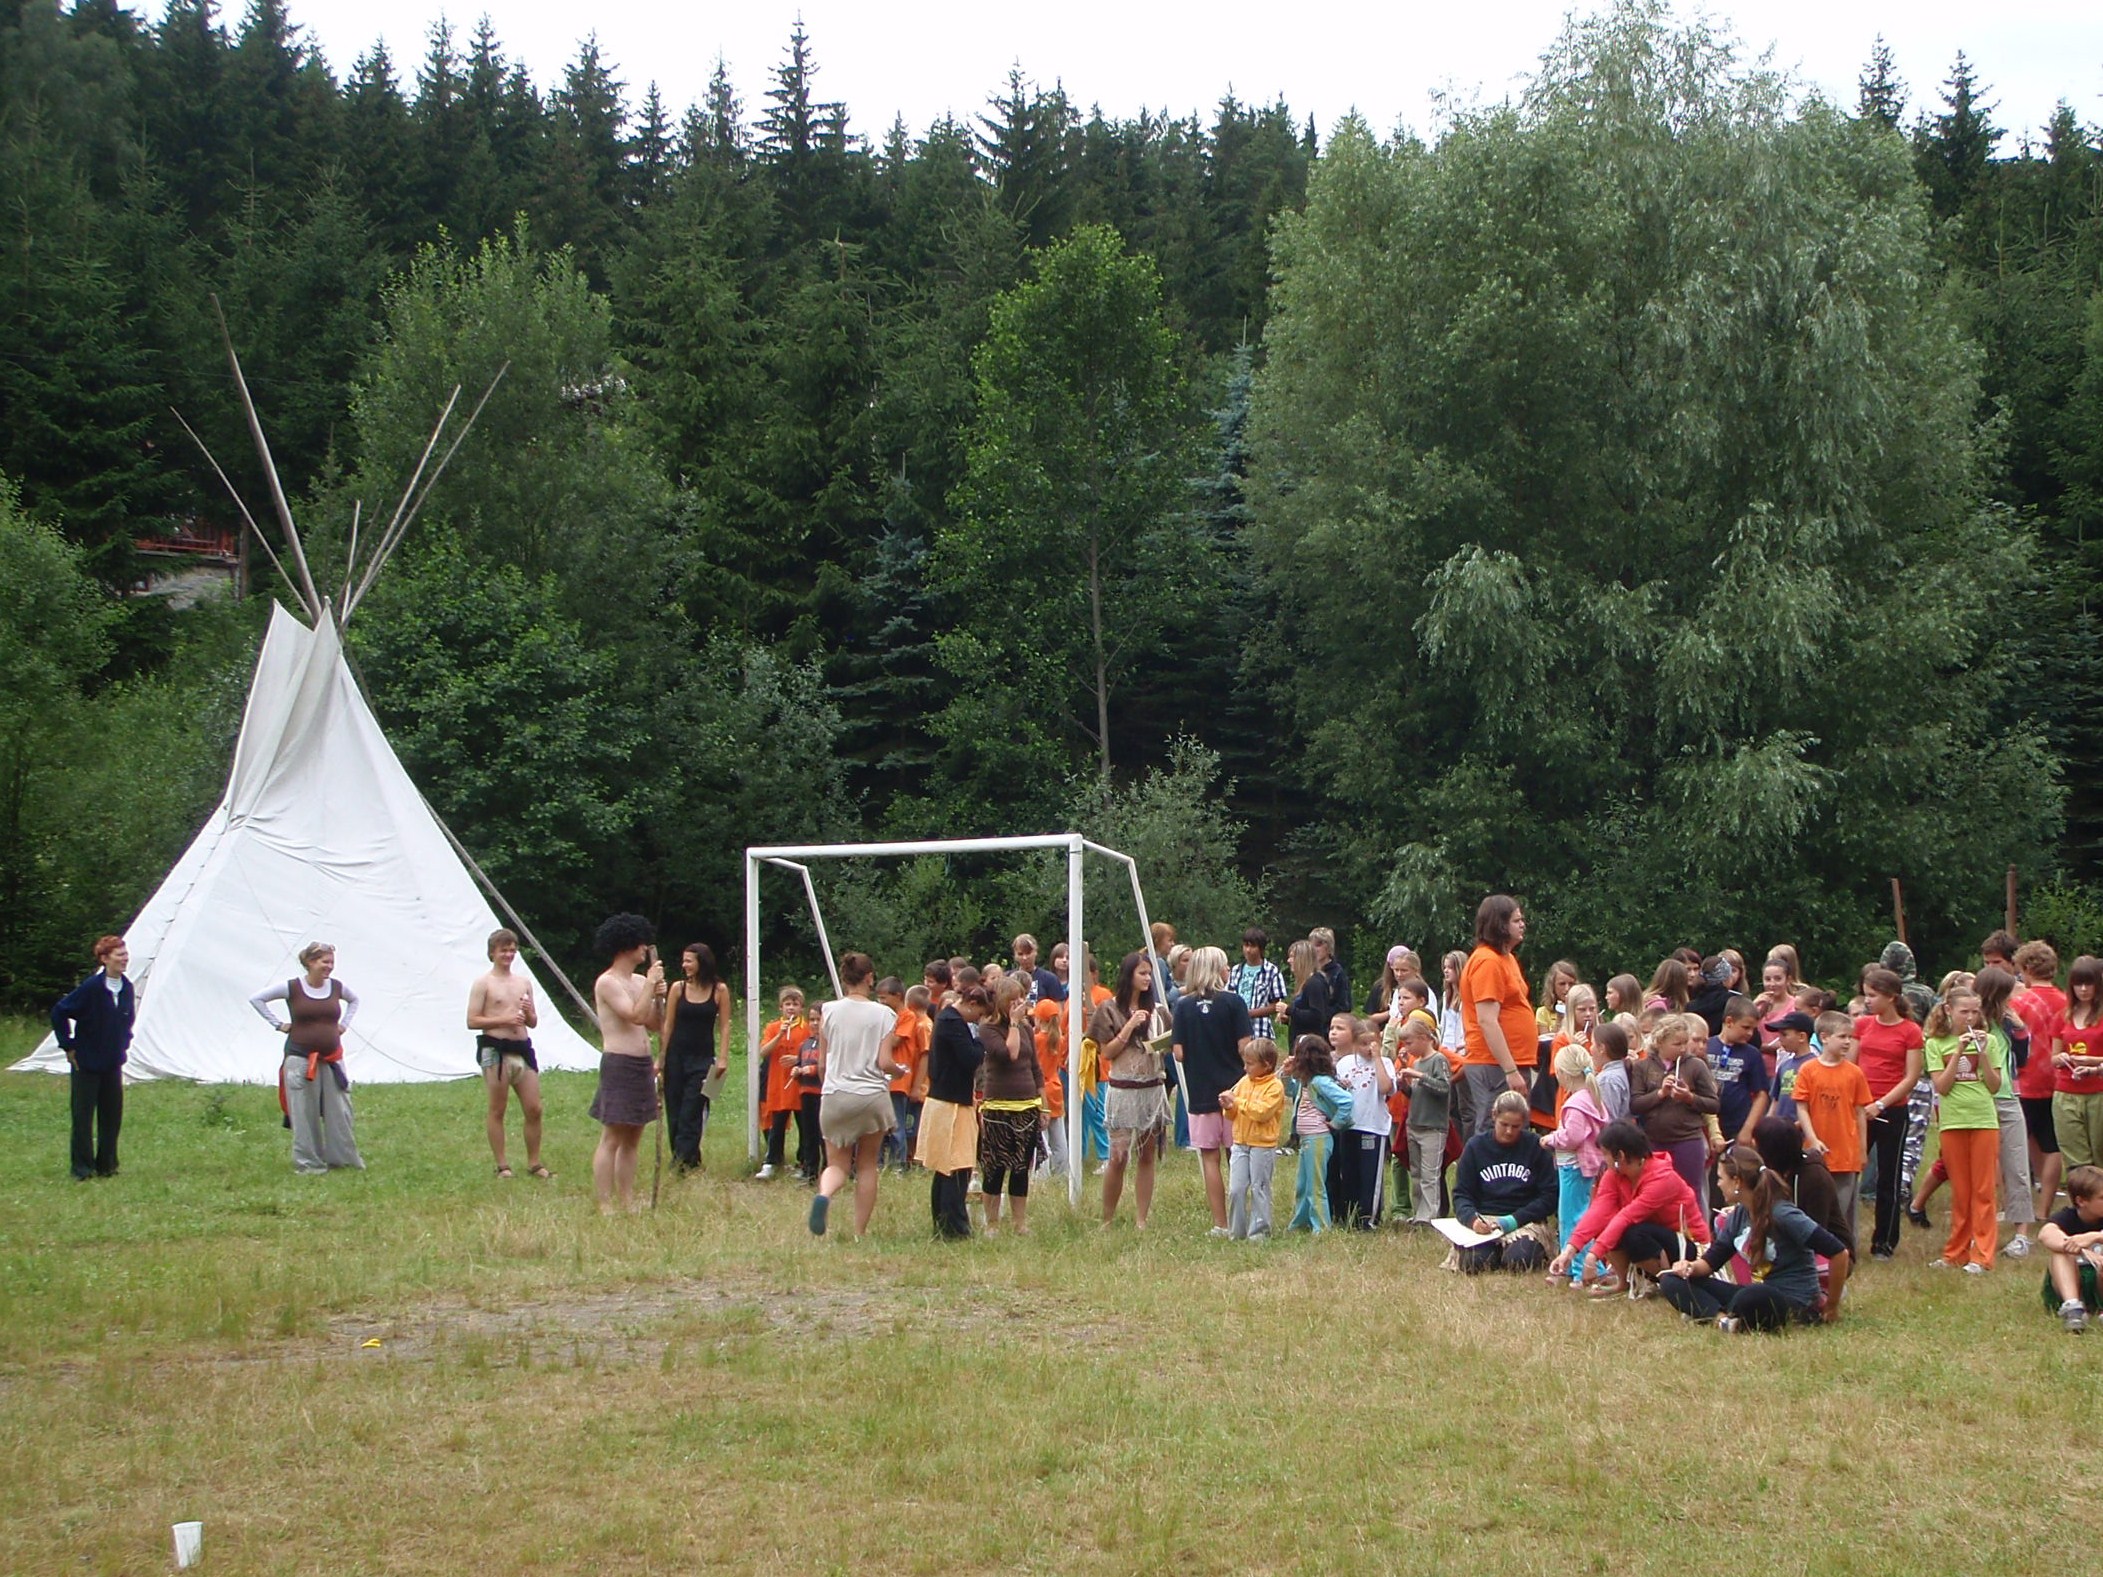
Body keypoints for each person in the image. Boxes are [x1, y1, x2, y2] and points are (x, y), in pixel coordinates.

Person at [1657, 1144, 1853, 1330]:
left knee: (1753, 1296)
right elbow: (1711, 1262)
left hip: (1794, 1302)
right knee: (1670, 1280)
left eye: (1721, 1178)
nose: (1718, 1184)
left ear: (1737, 1181)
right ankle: (1722, 1320)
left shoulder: (1783, 1214)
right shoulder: (1739, 1215)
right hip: (1755, 1293)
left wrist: (1831, 1307)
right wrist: (1689, 1267)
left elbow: (1839, 1253)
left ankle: (1713, 1311)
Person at [809, 951, 908, 1239]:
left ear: (844, 978)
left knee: (837, 1164)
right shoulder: (884, 1014)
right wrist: (899, 1072)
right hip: (870, 1095)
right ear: (870, 978)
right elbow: (884, 1062)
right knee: (866, 1165)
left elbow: (823, 1062)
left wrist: (828, 1086)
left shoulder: (828, 1011)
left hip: (836, 1092)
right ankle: (859, 1232)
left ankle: (825, 1194)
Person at [1549, 1121, 1710, 1298]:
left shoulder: (1662, 1178)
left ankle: (1669, 1283)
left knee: (1634, 1233)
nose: (1603, 1159)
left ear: (1620, 1155)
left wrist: (1593, 1256)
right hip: (1656, 1237)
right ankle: (1623, 1282)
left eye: (1605, 1154)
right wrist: (1569, 1251)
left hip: (1689, 1246)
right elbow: (1598, 1212)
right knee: (1610, 1227)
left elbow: (1627, 1217)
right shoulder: (1614, 1175)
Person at [251, 942, 366, 1175]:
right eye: (325, 962)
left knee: (340, 1110)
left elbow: (354, 1000)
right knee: (304, 1112)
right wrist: (278, 1024)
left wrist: (343, 1025)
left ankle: (343, 1160)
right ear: (311, 962)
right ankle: (309, 1163)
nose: (329, 967)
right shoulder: (292, 987)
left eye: (332, 962)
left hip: (332, 1058)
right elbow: (257, 999)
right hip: (301, 1059)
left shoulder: (336, 987)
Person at [1172, 946, 1256, 1235]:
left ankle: (1220, 1223)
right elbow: (1245, 1047)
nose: (1229, 969)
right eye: (1225, 965)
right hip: (1234, 1090)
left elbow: (1179, 1053)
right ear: (1217, 970)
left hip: (1200, 1090)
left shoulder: (1183, 1006)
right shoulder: (1234, 1002)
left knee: (1210, 1157)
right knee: (1238, 1154)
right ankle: (1241, 1219)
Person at [1921, 984, 2005, 1272]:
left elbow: (1994, 1086)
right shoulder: (1935, 1043)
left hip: (1983, 1120)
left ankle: (1982, 1255)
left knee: (1983, 1190)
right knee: (1961, 1191)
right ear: (1948, 1010)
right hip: (1953, 1121)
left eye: (1975, 1012)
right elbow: (1942, 1087)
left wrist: (1983, 1054)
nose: (1970, 1017)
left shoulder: (1990, 1041)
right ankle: (1955, 1253)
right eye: (1963, 1011)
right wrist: (1958, 1051)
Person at [588, 915, 662, 1213]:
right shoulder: (608, 982)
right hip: (619, 1063)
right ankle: (605, 1203)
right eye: (640, 943)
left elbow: (654, 1023)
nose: (645, 948)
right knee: (613, 1136)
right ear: (626, 945)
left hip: (642, 1064)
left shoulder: (640, 982)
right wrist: (651, 986)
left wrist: (659, 997)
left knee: (634, 1136)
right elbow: (634, 1015)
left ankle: (627, 1199)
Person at [467, 928, 550, 1180]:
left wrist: (528, 1013)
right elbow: (472, 1020)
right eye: (504, 950)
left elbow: (532, 1022)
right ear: (492, 952)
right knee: (498, 1108)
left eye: (512, 950)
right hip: (495, 1050)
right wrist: (504, 1019)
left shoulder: (523, 982)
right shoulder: (483, 983)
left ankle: (534, 1163)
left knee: (534, 1108)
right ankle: (502, 1165)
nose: (509, 955)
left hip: (522, 1049)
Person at [49, 935, 135, 1181]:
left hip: (112, 1061)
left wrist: (124, 1041)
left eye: (125, 953)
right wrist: (68, 1045)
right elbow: (59, 1011)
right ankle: (82, 1169)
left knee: (111, 1115)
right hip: (86, 1061)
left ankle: (107, 1165)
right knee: (83, 1116)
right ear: (105, 959)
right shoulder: (92, 988)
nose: (125, 958)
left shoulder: (127, 987)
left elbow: (127, 1018)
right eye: (119, 954)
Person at [1856, 965, 1927, 1259]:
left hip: (1891, 1110)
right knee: (1848, 1171)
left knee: (1888, 1176)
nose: (1867, 1000)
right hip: (1860, 1109)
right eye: (1866, 994)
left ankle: (1884, 1241)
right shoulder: (1862, 1025)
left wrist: (1881, 1104)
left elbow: (1911, 1077)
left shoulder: (1910, 1031)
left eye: (1873, 995)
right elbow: (1851, 1064)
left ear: (1891, 997)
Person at [1096, 951, 1168, 1229]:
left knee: (1146, 1154)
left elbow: (1171, 1042)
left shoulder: (1159, 1011)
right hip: (1122, 1090)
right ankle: (1107, 1218)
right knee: (1118, 1156)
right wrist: (1129, 1026)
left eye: (1150, 974)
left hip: (1151, 1087)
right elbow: (1107, 1052)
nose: (1147, 979)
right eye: (1142, 973)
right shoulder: (1109, 1008)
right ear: (1129, 976)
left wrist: (1163, 1044)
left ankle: (1141, 1219)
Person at [1449, 1091, 1557, 1272]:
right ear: (1494, 1116)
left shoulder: (1536, 1146)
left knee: (1519, 1261)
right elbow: (1461, 1194)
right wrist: (1472, 1220)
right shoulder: (1475, 1147)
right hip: (1485, 1218)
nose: (1509, 1131)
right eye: (1504, 1124)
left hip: (1525, 1222)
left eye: (1515, 1126)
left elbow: (1549, 1196)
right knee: (1475, 1263)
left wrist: (1514, 1220)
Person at [1458, 895, 1535, 1135]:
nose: (1522, 925)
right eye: (1516, 920)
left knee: (1515, 1131)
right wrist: (1510, 1070)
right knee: (1496, 1131)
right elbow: (1487, 1020)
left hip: (1509, 1062)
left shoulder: (1507, 958)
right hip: (1494, 1064)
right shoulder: (1487, 962)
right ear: (1500, 925)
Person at [1626, 1012, 1719, 1211]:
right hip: (1654, 1141)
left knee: (1690, 1193)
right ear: (1660, 1042)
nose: (1683, 1048)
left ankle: (1692, 1230)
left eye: (1685, 1043)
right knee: (1655, 1194)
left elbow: (1713, 1104)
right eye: (1677, 1044)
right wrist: (1660, 1094)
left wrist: (1689, 1097)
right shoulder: (1643, 1067)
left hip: (1688, 1139)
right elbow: (1635, 1105)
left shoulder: (1696, 1065)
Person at [1792, 1011, 1874, 1233]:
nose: (1848, 1042)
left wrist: (1862, 1149)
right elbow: (1802, 1107)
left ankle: (1844, 1249)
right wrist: (1812, 1139)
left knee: (1843, 1212)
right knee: (1814, 1207)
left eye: (1850, 1037)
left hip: (1846, 1152)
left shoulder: (1854, 1073)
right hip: (1816, 1152)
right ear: (1825, 1037)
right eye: (1842, 1036)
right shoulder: (1808, 1070)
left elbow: (1860, 1113)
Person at [975, 974, 1043, 1236]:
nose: (1018, 1004)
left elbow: (1034, 1067)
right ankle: (992, 1222)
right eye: (1013, 1000)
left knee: (1021, 1166)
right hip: (998, 1106)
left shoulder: (1026, 1029)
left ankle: (1019, 1222)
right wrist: (1013, 1023)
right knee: (995, 1166)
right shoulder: (988, 1029)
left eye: (1021, 999)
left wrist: (1043, 1103)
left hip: (1026, 1104)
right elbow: (1008, 1054)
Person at [920, 984, 989, 1239]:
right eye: (978, 1014)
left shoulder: (947, 1019)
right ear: (972, 1003)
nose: (977, 1020)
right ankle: (954, 1227)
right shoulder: (952, 1023)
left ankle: (944, 1224)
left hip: (948, 1100)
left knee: (946, 1168)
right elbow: (970, 1058)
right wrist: (981, 1041)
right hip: (952, 1104)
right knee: (956, 1166)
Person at [1537, 1043, 1609, 1279]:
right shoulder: (1592, 1098)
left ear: (1563, 1074)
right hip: (1585, 1166)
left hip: (1573, 1167)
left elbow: (1572, 1137)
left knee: (1572, 1219)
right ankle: (1573, 1266)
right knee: (1578, 1214)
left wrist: (1551, 1138)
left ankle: (1581, 1269)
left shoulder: (1576, 1103)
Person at [658, 942, 729, 1174]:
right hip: (676, 1057)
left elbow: (724, 1026)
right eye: (684, 960)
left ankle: (680, 1163)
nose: (684, 965)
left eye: (689, 960)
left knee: (692, 1110)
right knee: (675, 1111)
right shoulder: (677, 988)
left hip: (703, 1059)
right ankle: (689, 1159)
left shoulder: (720, 990)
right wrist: (661, 1058)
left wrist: (723, 1058)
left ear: (702, 962)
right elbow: (668, 1025)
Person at [2013, 941, 2066, 1233]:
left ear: (2027, 969)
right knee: (2051, 1143)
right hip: (2059, 1079)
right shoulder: (2067, 1001)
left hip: (2025, 1080)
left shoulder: (2020, 1003)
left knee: (2023, 1141)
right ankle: (2044, 1207)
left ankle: (2024, 1205)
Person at [1754, 1114, 1857, 1259]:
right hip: (1788, 1243)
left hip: (1832, 1255)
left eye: (1758, 1147)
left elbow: (1816, 1233)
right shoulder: (1773, 1171)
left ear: (1769, 1152)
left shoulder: (1815, 1179)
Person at [1330, 1015, 1395, 1229]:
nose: (1368, 1048)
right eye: (1363, 1043)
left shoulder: (1385, 1063)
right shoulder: (1345, 1063)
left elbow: (1385, 1088)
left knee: (1370, 1174)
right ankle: (1350, 1215)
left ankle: (1369, 1217)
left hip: (1372, 1126)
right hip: (1350, 1126)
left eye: (1372, 1043)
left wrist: (1377, 1058)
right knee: (1349, 1172)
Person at [1282, 1034, 1351, 1232]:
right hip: (1306, 1138)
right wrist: (1287, 1074)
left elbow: (1346, 1101)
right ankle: (1300, 1221)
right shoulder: (1306, 1082)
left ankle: (1321, 1226)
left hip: (1318, 1137)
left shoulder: (1320, 1082)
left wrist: (1336, 1123)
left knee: (1315, 1185)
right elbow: (1289, 1091)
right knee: (1303, 1184)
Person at [1218, 1039, 1285, 1239]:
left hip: (1262, 1145)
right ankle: (1236, 1231)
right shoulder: (1243, 1082)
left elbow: (1262, 1112)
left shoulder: (1275, 1087)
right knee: (1236, 1189)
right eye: (1245, 1063)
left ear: (1267, 1065)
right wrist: (1228, 1107)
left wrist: (1237, 1102)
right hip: (1240, 1143)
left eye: (1250, 1063)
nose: (1245, 1068)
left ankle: (1259, 1233)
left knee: (1260, 1188)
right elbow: (1233, 1113)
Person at [1395, 1016, 1452, 1224]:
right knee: (1417, 1173)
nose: (1407, 1048)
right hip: (1414, 1124)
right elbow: (1416, 1094)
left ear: (1423, 1038)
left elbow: (1444, 1088)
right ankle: (1419, 1212)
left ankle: (1429, 1216)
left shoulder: (1438, 1060)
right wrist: (1404, 1084)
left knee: (1430, 1175)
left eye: (1409, 1043)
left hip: (1433, 1127)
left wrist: (1419, 1076)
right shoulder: (1417, 1063)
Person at [2051, 955, 2103, 1174]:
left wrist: (2092, 1062)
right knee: (2076, 1159)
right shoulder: (2063, 1016)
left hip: (2098, 1092)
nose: (2083, 989)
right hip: (2066, 1092)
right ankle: (2081, 1194)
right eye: (2078, 984)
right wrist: (2062, 1058)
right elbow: (2054, 1057)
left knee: (2099, 1154)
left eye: (2088, 984)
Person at [2039, 1164, 2103, 1332]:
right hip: (2072, 1280)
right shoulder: (2067, 1217)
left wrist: (2095, 1237)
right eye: (2102, 1198)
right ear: (2081, 1201)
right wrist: (2081, 1249)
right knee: (2060, 1253)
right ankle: (2073, 1309)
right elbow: (2046, 1234)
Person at [756, 986, 806, 1180]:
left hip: (800, 1083)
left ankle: (804, 1161)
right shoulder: (773, 1027)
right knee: (776, 1124)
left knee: (805, 1124)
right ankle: (772, 1161)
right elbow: (763, 1052)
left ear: (801, 1007)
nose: (791, 1008)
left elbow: (815, 1051)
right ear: (781, 1007)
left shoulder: (806, 1028)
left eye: (795, 1004)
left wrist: (797, 1059)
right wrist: (779, 1035)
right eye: (787, 1004)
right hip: (778, 1083)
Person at [881, 978, 930, 1173]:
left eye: (884, 998)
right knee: (881, 1125)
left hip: (899, 1080)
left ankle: (899, 1164)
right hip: (882, 1079)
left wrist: (878, 1031)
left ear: (898, 996)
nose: (881, 1002)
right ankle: (879, 1163)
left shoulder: (907, 1017)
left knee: (897, 1125)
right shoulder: (886, 1015)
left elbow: (895, 1041)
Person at [1708, 996, 1770, 1148]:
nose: (1750, 1033)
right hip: (1708, 1124)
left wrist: (1748, 1129)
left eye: (1753, 1029)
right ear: (1729, 1021)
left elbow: (1761, 1095)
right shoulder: (1707, 1046)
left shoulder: (1752, 1054)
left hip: (1737, 1125)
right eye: (1746, 1027)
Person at [1229, 927, 1291, 1045]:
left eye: (1252, 946)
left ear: (1261, 949)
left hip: (1260, 1030)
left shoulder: (1271, 971)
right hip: (1235, 1030)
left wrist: (1250, 1013)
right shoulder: (1236, 970)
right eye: (1246, 946)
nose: (1248, 950)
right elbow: (1228, 995)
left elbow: (1276, 1005)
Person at [1767, 1010, 1824, 1128]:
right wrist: (1768, 1123)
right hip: (1780, 1130)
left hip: (1804, 1132)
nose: (1780, 1039)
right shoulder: (1784, 1065)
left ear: (1802, 1037)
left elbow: (1819, 1106)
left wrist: (1796, 1126)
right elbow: (1776, 1100)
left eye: (1784, 1034)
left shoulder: (1816, 1066)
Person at [1286, 939, 1333, 1043]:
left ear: (1302, 959)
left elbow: (1317, 1016)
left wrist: (1289, 1010)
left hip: (1310, 1045)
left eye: (1292, 957)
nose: (1289, 960)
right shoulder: (1306, 982)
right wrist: (1289, 1018)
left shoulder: (1314, 984)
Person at [1591, 1019, 1632, 1122]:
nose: (1590, 1049)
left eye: (1592, 1044)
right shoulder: (1620, 1071)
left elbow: (1608, 1119)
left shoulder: (1608, 1080)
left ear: (1601, 1048)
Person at [1012, 933, 1063, 1004]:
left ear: (1035, 952)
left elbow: (1059, 1007)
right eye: (1020, 954)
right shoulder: (1008, 978)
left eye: (1028, 953)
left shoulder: (1050, 979)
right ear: (1015, 955)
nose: (1025, 958)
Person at [1311, 927, 1349, 1022]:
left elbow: (1344, 1006)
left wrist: (1321, 1015)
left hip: (1329, 1024)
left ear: (1328, 947)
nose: (1315, 949)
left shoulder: (1338, 973)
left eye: (1318, 945)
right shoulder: (1308, 971)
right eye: (1311, 945)